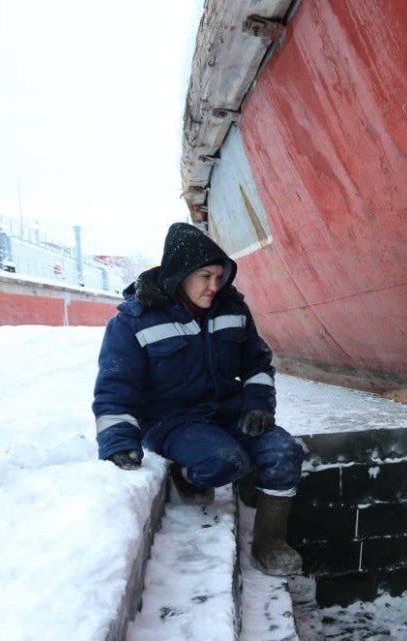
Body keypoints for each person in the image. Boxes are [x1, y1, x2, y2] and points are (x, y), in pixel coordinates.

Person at [92, 222, 304, 577]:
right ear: (180, 275)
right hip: (171, 421)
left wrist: (258, 405)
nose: (214, 286)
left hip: (227, 413)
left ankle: (269, 543)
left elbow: (257, 363)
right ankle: (187, 474)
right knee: (226, 462)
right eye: (206, 276)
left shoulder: (232, 308)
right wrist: (118, 443)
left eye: (219, 276)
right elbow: (116, 388)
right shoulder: (134, 320)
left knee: (285, 452)